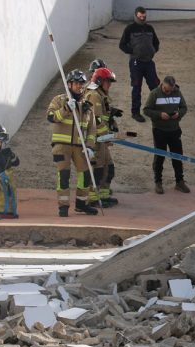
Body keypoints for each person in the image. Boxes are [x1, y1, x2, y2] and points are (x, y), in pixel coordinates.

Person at [47, 69, 98, 217]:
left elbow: (92, 130)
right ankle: (63, 206)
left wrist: (89, 146)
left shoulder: (87, 106)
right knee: (64, 175)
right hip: (61, 146)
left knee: (85, 174)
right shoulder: (59, 100)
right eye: (76, 83)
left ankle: (82, 204)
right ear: (69, 84)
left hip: (80, 147)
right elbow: (51, 117)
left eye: (81, 84)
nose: (79, 86)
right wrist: (66, 109)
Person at [143, 75, 190, 194]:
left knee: (178, 156)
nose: (168, 92)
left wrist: (178, 114)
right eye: (166, 90)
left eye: (170, 90)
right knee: (159, 157)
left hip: (174, 130)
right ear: (162, 85)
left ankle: (180, 182)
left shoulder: (177, 92)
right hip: (159, 130)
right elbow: (146, 110)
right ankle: (158, 182)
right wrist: (159, 115)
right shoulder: (154, 93)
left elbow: (184, 107)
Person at [85, 67, 123, 208]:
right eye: (108, 81)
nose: (110, 84)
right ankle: (93, 198)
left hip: (102, 139)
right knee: (97, 170)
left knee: (109, 168)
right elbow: (96, 120)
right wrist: (106, 135)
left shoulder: (101, 94)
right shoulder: (94, 95)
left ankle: (104, 195)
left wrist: (112, 119)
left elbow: (104, 117)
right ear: (100, 81)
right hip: (95, 140)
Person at [119, 6, 160, 123]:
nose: (142, 18)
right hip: (136, 63)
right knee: (136, 88)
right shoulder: (130, 28)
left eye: (144, 16)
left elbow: (156, 42)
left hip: (149, 62)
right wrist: (132, 52)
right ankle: (135, 113)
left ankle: (154, 110)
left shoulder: (149, 28)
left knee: (154, 86)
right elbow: (122, 45)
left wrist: (152, 50)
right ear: (136, 15)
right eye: (140, 16)